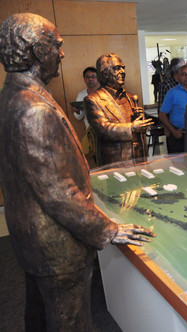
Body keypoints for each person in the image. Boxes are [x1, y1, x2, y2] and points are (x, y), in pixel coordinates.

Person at [0, 13, 155, 331]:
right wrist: (108, 229)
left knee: (40, 315)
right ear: (34, 50)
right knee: (69, 322)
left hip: (30, 237)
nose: (62, 53)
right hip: (53, 244)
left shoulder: (14, 96)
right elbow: (58, 193)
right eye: (56, 46)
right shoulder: (33, 109)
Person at [85, 53, 154, 166]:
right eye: (117, 68)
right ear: (105, 73)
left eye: (123, 68)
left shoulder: (131, 97)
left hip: (139, 158)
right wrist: (132, 127)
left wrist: (141, 120)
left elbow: (138, 127)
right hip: (116, 160)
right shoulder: (93, 100)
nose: (122, 72)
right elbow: (104, 130)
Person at [159, 64, 187, 153]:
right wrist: (173, 131)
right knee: (177, 165)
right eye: (184, 74)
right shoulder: (172, 93)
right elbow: (162, 114)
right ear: (179, 76)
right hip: (177, 136)